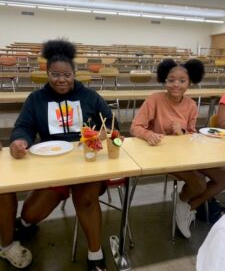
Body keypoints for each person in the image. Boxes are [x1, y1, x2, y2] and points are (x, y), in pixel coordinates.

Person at [0, 39, 115, 270]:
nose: (61, 80)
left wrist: (106, 133)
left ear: (74, 74)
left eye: (67, 75)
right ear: (47, 73)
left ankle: (95, 255)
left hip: (87, 161)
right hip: (52, 165)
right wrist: (20, 140)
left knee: (85, 199)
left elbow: (111, 124)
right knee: (31, 215)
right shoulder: (36, 99)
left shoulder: (91, 97)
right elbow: (24, 126)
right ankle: (23, 223)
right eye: (55, 74)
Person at [130, 58, 225, 239]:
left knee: (223, 177)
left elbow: (191, 134)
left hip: (187, 155)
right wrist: (149, 134)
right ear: (164, 80)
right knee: (199, 183)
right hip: (162, 155)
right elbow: (136, 127)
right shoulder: (154, 100)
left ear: (190, 83)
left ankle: (188, 206)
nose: (176, 85)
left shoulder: (190, 105)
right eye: (171, 80)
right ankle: (184, 200)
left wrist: (181, 131)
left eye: (182, 81)